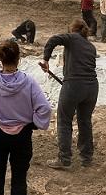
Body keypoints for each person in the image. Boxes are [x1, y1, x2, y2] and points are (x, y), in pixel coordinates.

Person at [0, 40, 51, 195]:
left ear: (0, 59)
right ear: (19, 59)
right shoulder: (29, 81)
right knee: (19, 178)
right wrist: (34, 123)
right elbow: (44, 108)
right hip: (21, 135)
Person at [40, 19, 98, 169]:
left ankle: (64, 159)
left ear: (73, 29)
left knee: (64, 120)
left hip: (73, 85)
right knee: (85, 121)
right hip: (91, 88)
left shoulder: (72, 37)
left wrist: (46, 60)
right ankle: (87, 157)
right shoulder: (91, 46)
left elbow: (53, 40)